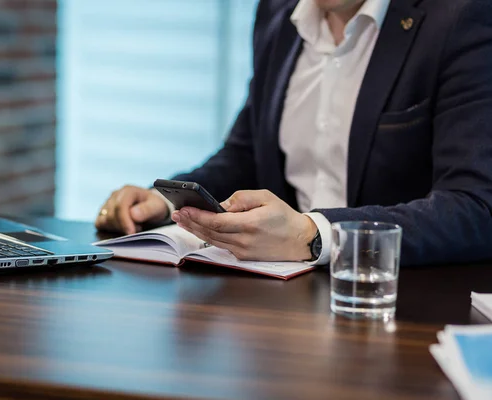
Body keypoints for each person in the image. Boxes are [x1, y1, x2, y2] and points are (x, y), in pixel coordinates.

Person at [95, 0, 492, 267]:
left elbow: (476, 208)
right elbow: (247, 152)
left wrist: (313, 235)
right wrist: (166, 202)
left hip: (397, 302)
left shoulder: (459, 18)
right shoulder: (277, 13)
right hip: (278, 295)